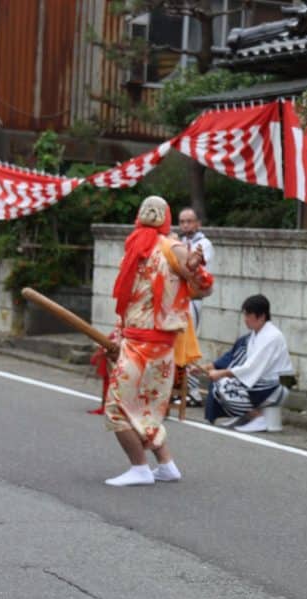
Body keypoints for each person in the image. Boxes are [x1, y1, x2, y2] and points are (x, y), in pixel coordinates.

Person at [103, 195, 213, 487]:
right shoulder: (136, 247)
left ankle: (139, 467)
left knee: (117, 407)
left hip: (151, 342)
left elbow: (202, 286)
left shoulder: (169, 246)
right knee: (144, 407)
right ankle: (166, 465)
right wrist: (118, 334)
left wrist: (192, 265)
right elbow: (129, 301)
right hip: (141, 339)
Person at [203, 294, 295, 433]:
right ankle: (247, 416)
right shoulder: (255, 335)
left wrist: (222, 373)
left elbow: (251, 367)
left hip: (278, 385)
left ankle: (258, 418)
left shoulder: (271, 336)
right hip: (265, 381)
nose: (245, 319)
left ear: (261, 316)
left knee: (222, 384)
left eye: (248, 315)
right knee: (221, 384)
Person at [174, 207, 214, 406]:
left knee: (188, 344)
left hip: (193, 299)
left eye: (189, 221)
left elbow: (195, 269)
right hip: (177, 299)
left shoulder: (203, 244)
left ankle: (194, 392)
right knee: (176, 344)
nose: (186, 225)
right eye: (182, 221)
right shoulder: (179, 243)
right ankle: (180, 388)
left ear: (198, 223)